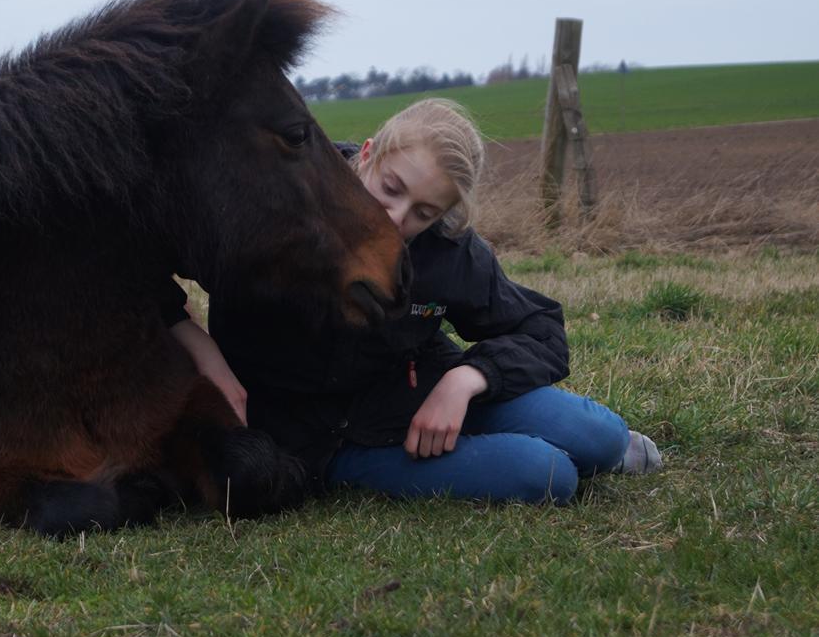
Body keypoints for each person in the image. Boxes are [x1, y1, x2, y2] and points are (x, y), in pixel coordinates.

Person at [170, 98, 661, 505]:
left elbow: (540, 328)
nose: (397, 216)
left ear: (444, 215)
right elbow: (134, 268)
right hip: (318, 438)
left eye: (423, 212)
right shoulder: (270, 211)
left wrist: (466, 379)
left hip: (416, 395)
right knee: (548, 474)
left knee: (598, 438)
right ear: (365, 155)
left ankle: (586, 446)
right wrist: (196, 342)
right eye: (390, 188)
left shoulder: (448, 253)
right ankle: (378, 470)